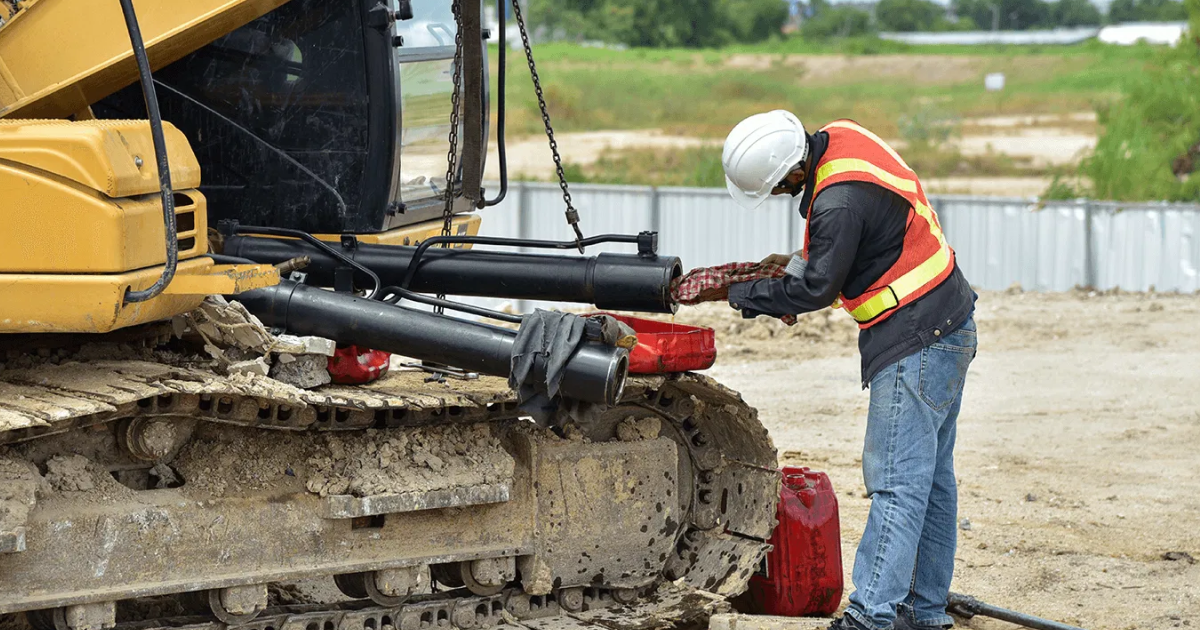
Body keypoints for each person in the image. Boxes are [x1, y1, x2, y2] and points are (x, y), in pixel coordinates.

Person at [721, 110, 977, 630]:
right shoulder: (842, 137)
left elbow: (816, 288)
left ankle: (871, 616)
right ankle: (921, 612)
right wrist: (795, 265)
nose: (780, 196)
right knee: (930, 482)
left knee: (897, 483)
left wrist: (741, 292)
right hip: (949, 324)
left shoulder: (835, 203)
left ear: (794, 172)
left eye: (778, 189)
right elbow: (860, 238)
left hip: (915, 338)